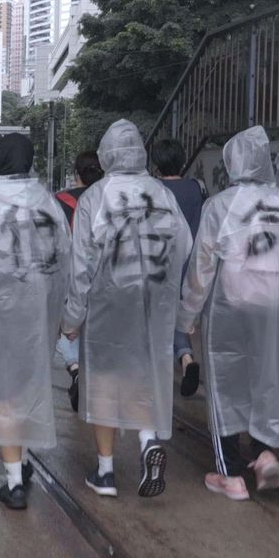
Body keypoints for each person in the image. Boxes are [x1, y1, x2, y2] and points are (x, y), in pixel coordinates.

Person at [177, 126, 279, 502]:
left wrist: (187, 314)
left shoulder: (220, 205)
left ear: (231, 162)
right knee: (267, 380)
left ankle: (230, 475)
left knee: (225, 383)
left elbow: (202, 267)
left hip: (230, 308)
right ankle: (265, 452)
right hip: (278, 306)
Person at [61, 120, 192, 499]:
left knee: (103, 379)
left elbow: (81, 265)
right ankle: (148, 439)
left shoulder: (94, 198)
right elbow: (183, 245)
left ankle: (105, 472)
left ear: (106, 155)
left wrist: (72, 318)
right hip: (153, 299)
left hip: (108, 300)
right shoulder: (162, 194)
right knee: (142, 371)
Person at [0, 133, 71, 511]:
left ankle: (14, 481)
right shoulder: (48, 202)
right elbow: (66, 255)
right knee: (29, 381)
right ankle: (21, 457)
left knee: (3, 387)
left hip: (0, 307)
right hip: (42, 307)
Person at [151, 138, 207, 397]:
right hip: (192, 263)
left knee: (160, 319)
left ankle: (165, 370)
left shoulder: (153, 190)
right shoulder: (197, 188)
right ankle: (186, 359)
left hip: (161, 262)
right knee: (180, 317)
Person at [55, 150, 103, 412]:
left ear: (76, 174)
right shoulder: (110, 199)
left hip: (69, 274)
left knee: (69, 325)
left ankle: (75, 368)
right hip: (106, 276)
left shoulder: (60, 201)